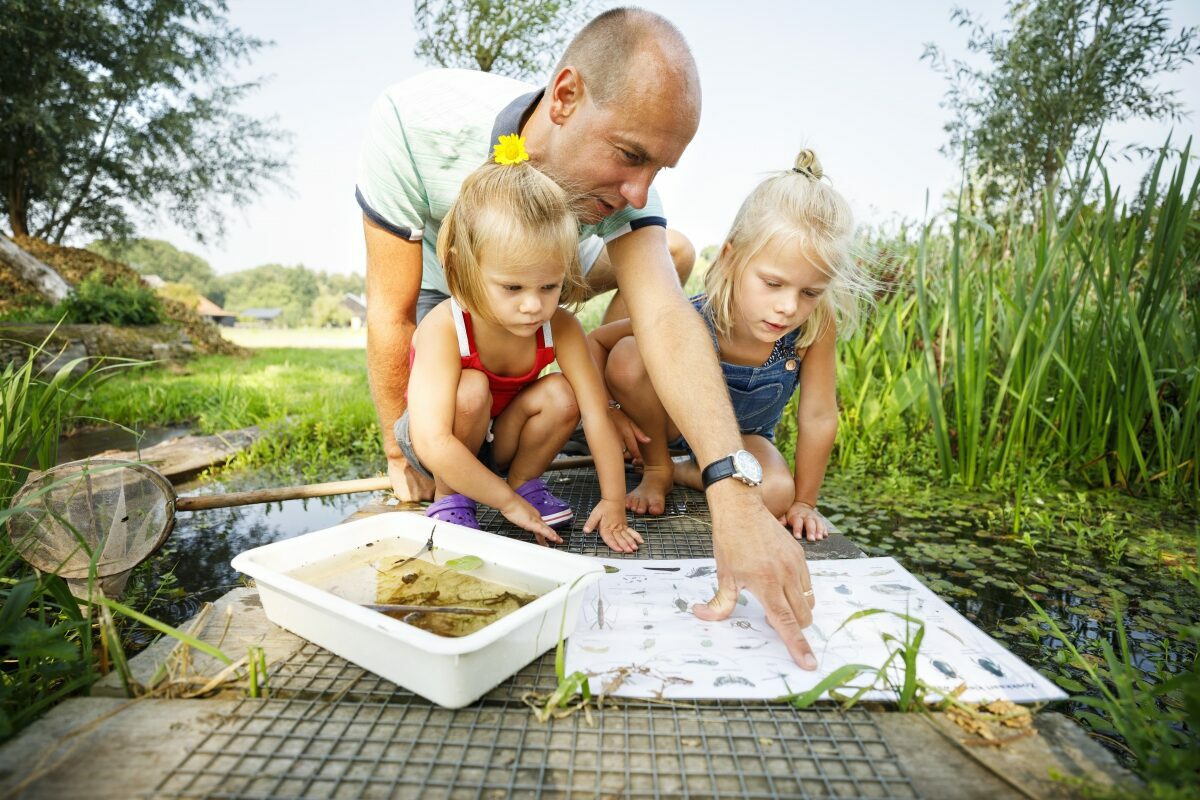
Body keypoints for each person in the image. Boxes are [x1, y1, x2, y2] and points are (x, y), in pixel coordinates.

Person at [359, 7, 821, 670]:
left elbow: (665, 317)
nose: (639, 188)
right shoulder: (413, 122)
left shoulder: (613, 216)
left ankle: (562, 418)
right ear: (567, 96)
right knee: (455, 402)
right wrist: (398, 452)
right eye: (631, 155)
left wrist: (730, 486)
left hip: (549, 279)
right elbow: (392, 308)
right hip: (450, 294)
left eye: (659, 169)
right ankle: (459, 478)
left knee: (671, 252)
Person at [589, 150, 874, 544]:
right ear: (731, 258)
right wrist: (610, 412)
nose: (788, 307)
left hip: (747, 440)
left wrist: (805, 502)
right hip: (670, 428)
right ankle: (658, 469)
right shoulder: (695, 314)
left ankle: (689, 470)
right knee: (628, 356)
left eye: (809, 292)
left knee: (776, 492)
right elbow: (597, 343)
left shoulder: (813, 327)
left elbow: (819, 416)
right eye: (773, 284)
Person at [400, 139, 643, 553]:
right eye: (512, 287)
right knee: (473, 388)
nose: (533, 305)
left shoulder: (560, 327)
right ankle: (451, 497)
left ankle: (522, 481)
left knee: (564, 394)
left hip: (501, 440)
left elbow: (596, 415)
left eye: (549, 286)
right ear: (464, 265)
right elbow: (432, 439)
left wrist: (613, 501)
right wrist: (506, 506)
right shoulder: (446, 325)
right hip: (440, 442)